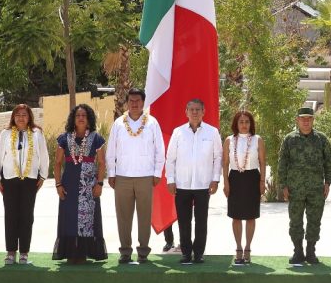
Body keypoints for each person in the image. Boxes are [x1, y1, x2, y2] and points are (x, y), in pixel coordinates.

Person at [105, 88, 165, 263]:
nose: (134, 104)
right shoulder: (118, 124)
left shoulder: (152, 123)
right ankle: (125, 251)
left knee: (144, 216)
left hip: (145, 176)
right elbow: (111, 151)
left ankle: (143, 251)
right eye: (131, 100)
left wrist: (157, 172)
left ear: (143, 102)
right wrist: (111, 173)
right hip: (122, 176)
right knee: (123, 216)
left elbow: (160, 150)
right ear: (126, 103)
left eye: (138, 100)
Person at [165, 98, 222, 265]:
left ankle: (198, 254)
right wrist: (170, 180)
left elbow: (218, 157)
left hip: (203, 184)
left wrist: (215, 179)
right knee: (184, 221)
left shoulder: (212, 132)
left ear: (204, 112)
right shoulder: (178, 132)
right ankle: (186, 253)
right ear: (186, 112)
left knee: (201, 221)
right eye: (192, 109)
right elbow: (170, 158)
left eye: (198, 109)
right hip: (182, 184)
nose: (195, 112)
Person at [0, 104, 50, 265]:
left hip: (30, 179)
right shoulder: (5, 133)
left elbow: (44, 156)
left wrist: (43, 176)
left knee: (26, 216)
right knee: (11, 215)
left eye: (24, 115)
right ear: (13, 117)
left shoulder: (37, 133)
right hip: (9, 179)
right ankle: (11, 252)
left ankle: (24, 252)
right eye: (17, 115)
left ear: (29, 116)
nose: (21, 118)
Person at [52, 103, 108, 263]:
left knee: (88, 217)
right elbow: (57, 163)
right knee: (69, 217)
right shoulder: (64, 138)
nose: (81, 118)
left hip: (89, 186)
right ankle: (70, 253)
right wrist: (58, 185)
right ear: (73, 119)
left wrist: (99, 184)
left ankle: (85, 252)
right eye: (78, 115)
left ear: (89, 119)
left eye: (84, 115)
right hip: (68, 184)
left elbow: (102, 163)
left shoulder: (96, 138)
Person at [277, 106, 331, 266]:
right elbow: (282, 163)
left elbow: (329, 162)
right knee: (295, 221)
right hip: (295, 188)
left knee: (314, 221)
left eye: (309, 118)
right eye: (303, 119)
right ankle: (298, 251)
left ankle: (311, 251)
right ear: (297, 120)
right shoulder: (290, 139)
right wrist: (283, 185)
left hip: (316, 188)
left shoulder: (321, 139)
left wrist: (327, 182)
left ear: (313, 120)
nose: (306, 121)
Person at [223, 110, 266, 266]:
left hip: (252, 178)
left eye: (247, 122)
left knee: (250, 216)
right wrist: (226, 182)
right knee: (236, 216)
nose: (244, 125)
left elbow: (262, 162)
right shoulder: (229, 140)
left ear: (251, 124)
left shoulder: (257, 140)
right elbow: (225, 164)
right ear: (236, 124)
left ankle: (248, 248)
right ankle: (238, 248)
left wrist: (262, 181)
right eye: (241, 122)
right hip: (235, 178)